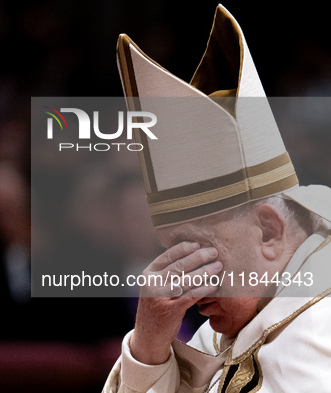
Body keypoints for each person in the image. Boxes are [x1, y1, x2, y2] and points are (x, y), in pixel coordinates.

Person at [104, 5, 331, 392]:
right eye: (173, 249)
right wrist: (146, 347)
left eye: (194, 246)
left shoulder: (317, 333)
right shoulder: (233, 322)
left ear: (267, 231)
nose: (185, 276)